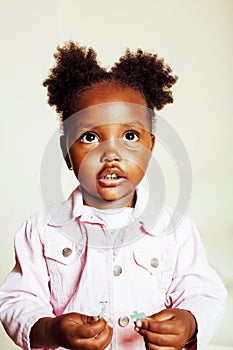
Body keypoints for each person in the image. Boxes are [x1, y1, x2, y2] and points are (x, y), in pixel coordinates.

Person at [0, 41, 227, 350]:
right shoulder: (40, 231)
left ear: (151, 147)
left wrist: (188, 323)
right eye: (90, 137)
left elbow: (204, 294)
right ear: (67, 152)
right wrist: (51, 329)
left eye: (130, 136)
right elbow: (17, 299)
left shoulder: (176, 230)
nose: (111, 153)